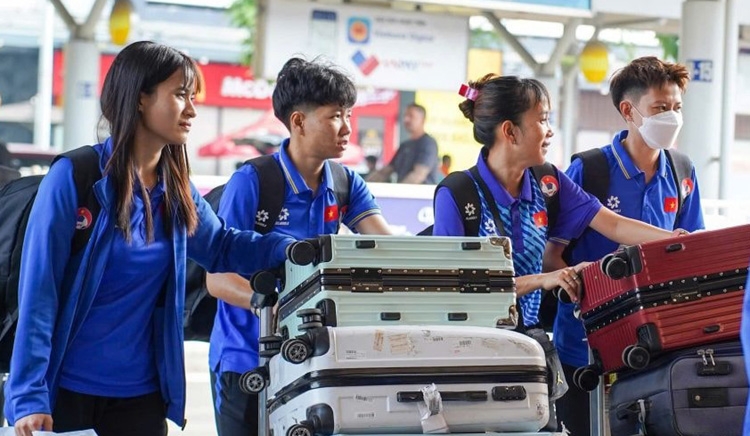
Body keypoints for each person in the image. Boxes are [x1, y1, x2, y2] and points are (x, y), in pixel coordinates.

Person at [4, 41, 295, 436]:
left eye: (193, 97)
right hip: (65, 394)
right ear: (140, 98)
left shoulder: (176, 190)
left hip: (141, 397)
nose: (192, 110)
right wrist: (28, 396)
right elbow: (39, 292)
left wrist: (292, 250)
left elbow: (223, 247)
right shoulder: (75, 178)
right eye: (180, 95)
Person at [206, 57, 392, 436]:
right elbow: (218, 279)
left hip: (313, 359)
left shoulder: (344, 183)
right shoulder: (253, 182)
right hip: (245, 361)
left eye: (349, 115)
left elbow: (383, 249)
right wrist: (275, 308)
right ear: (298, 122)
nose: (347, 128)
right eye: (335, 116)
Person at [433, 73, 687, 330]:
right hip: (471, 344)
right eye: (543, 120)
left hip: (529, 340)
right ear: (510, 131)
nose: (550, 131)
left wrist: (676, 240)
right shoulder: (457, 194)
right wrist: (542, 280)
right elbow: (453, 286)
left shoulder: (548, 181)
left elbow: (614, 225)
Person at [548, 56, 704, 436]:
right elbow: (553, 254)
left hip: (658, 346)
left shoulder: (682, 172)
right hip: (584, 349)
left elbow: (691, 249)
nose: (671, 117)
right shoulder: (590, 171)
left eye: (677, 108)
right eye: (660, 108)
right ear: (628, 111)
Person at [367, 103, 441, 184]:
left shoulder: (428, 143)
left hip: (420, 195)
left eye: (411, 116)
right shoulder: (405, 146)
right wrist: (365, 184)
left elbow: (418, 175)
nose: (406, 119)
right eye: (405, 116)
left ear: (422, 120)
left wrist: (398, 192)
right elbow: (385, 171)